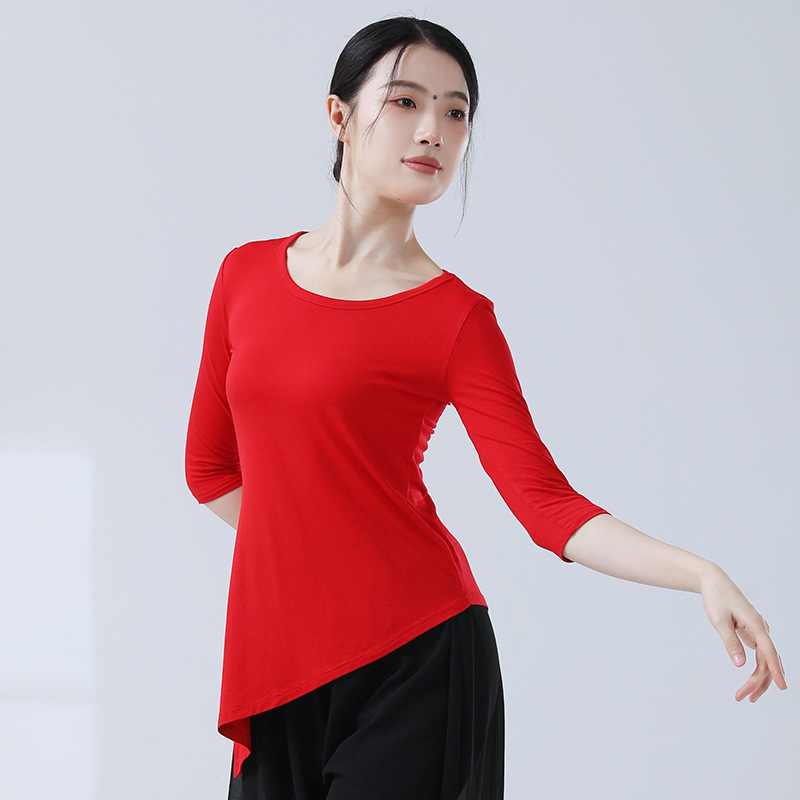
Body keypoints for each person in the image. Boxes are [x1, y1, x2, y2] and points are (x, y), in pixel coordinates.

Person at [185, 15, 787, 800]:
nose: (433, 131)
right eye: (405, 101)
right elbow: (210, 470)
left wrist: (700, 572)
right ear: (339, 115)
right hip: (277, 660)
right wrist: (314, 561)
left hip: (417, 661)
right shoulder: (244, 276)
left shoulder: (455, 319)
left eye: (456, 111)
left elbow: (547, 506)